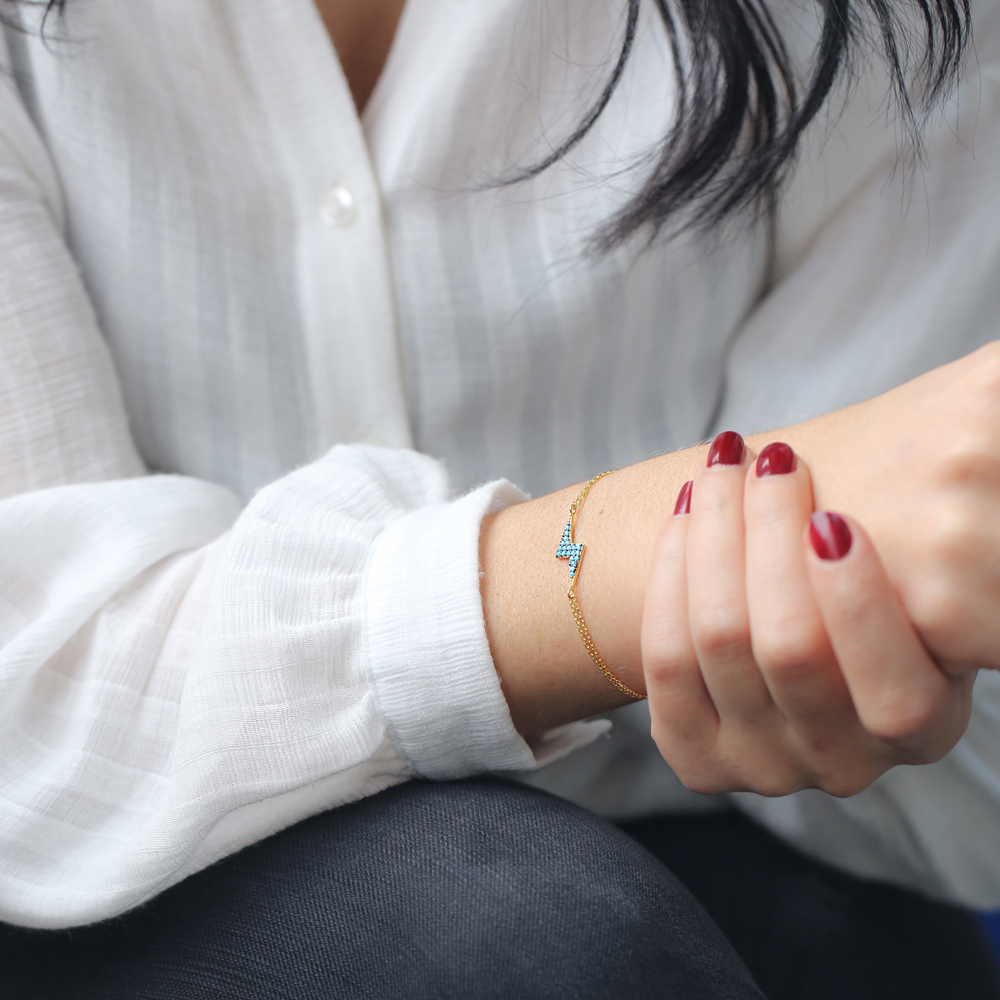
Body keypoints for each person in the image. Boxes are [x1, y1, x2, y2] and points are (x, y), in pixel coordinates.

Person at [2, 0, 1000, 996]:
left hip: (719, 845)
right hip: (101, 881)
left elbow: (966, 742)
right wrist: (643, 561)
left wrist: (852, 650)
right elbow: (34, 683)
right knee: (539, 943)